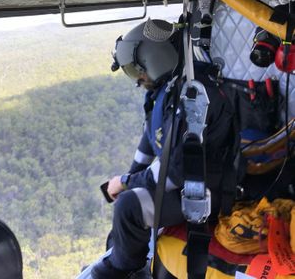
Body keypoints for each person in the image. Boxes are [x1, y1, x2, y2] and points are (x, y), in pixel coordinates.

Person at [91, 19, 235, 279]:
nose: (139, 79)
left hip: (204, 191)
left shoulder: (194, 97)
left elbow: (174, 170)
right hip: (187, 181)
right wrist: (131, 176)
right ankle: (123, 254)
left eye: (139, 70)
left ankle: (121, 269)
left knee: (129, 207)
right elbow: (151, 139)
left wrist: (125, 183)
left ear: (155, 59)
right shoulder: (168, 90)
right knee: (128, 202)